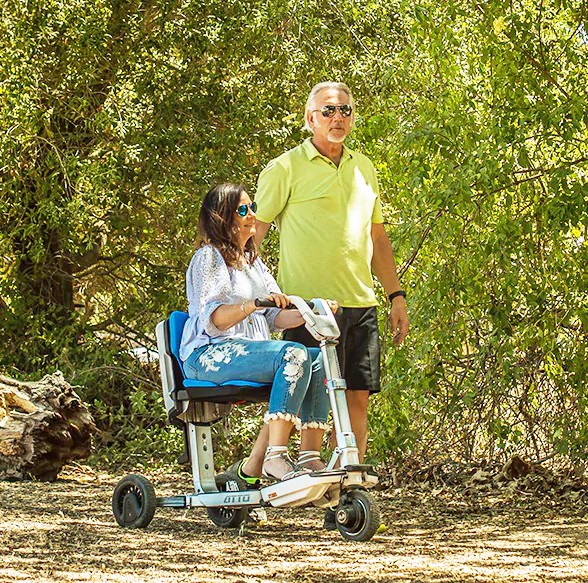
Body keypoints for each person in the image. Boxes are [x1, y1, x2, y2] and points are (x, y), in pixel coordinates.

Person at [241, 82, 409, 525]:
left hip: (360, 303)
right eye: (328, 110)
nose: (338, 117)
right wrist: (242, 291)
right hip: (308, 307)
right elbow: (255, 231)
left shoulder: (365, 168)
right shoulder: (284, 168)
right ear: (310, 117)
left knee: (356, 397)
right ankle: (260, 473)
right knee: (301, 396)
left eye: (346, 110)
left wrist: (395, 295)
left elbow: (377, 237)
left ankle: (341, 490)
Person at [179, 182, 331, 481]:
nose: (252, 215)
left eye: (253, 208)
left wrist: (312, 310)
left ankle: (310, 457)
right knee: (294, 354)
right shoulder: (209, 258)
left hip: (247, 350)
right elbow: (216, 319)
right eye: (243, 210)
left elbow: (277, 318)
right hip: (209, 354)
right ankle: (275, 457)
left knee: (318, 358)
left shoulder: (253, 263)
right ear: (223, 216)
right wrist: (250, 305)